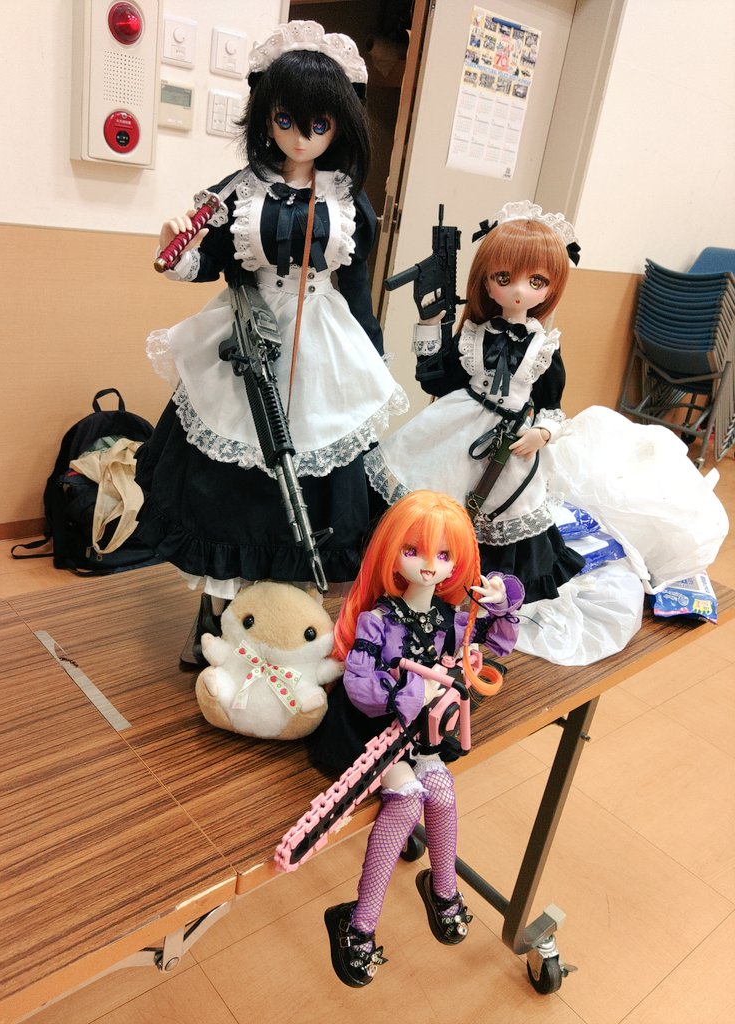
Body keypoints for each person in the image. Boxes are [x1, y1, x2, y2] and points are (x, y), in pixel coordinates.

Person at [135, 21, 407, 662]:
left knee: (313, 487)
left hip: (323, 347)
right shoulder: (238, 190)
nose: (302, 137)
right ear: (265, 116)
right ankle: (217, 619)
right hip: (243, 338)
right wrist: (175, 252)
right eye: (287, 120)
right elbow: (211, 263)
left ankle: (289, 626)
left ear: (340, 126)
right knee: (230, 485)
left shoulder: (349, 202)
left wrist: (372, 361)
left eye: (319, 125)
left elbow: (357, 289)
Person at [310, 490, 524, 986]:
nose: (429, 566)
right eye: (415, 551)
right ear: (392, 553)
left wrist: (501, 596)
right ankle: (358, 922)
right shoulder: (377, 620)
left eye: (444, 555)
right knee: (406, 799)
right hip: (374, 727)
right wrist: (415, 689)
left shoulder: (450, 619)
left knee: (443, 791)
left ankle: (443, 889)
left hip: (423, 731)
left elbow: (497, 640)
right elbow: (361, 688)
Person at [364, 201, 584, 603]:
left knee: (501, 513)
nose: (519, 290)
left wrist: (542, 432)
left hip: (510, 442)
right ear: (486, 279)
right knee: (432, 497)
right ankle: (419, 573)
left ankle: (483, 591)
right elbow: (434, 379)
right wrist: (429, 324)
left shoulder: (544, 348)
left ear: (552, 286)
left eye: (536, 281)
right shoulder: (473, 336)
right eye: (505, 278)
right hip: (458, 424)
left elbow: (552, 405)